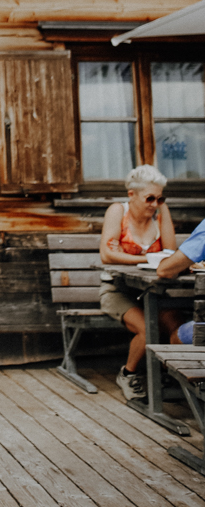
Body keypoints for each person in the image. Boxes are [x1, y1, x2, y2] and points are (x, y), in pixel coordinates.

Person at [99, 164, 181, 402]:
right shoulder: (117, 212)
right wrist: (150, 258)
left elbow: (171, 252)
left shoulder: (160, 212)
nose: (155, 204)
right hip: (118, 290)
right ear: (131, 195)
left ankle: (169, 373)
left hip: (153, 292)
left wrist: (127, 255)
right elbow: (107, 255)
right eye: (150, 198)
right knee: (148, 328)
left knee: (178, 325)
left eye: (160, 198)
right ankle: (128, 374)